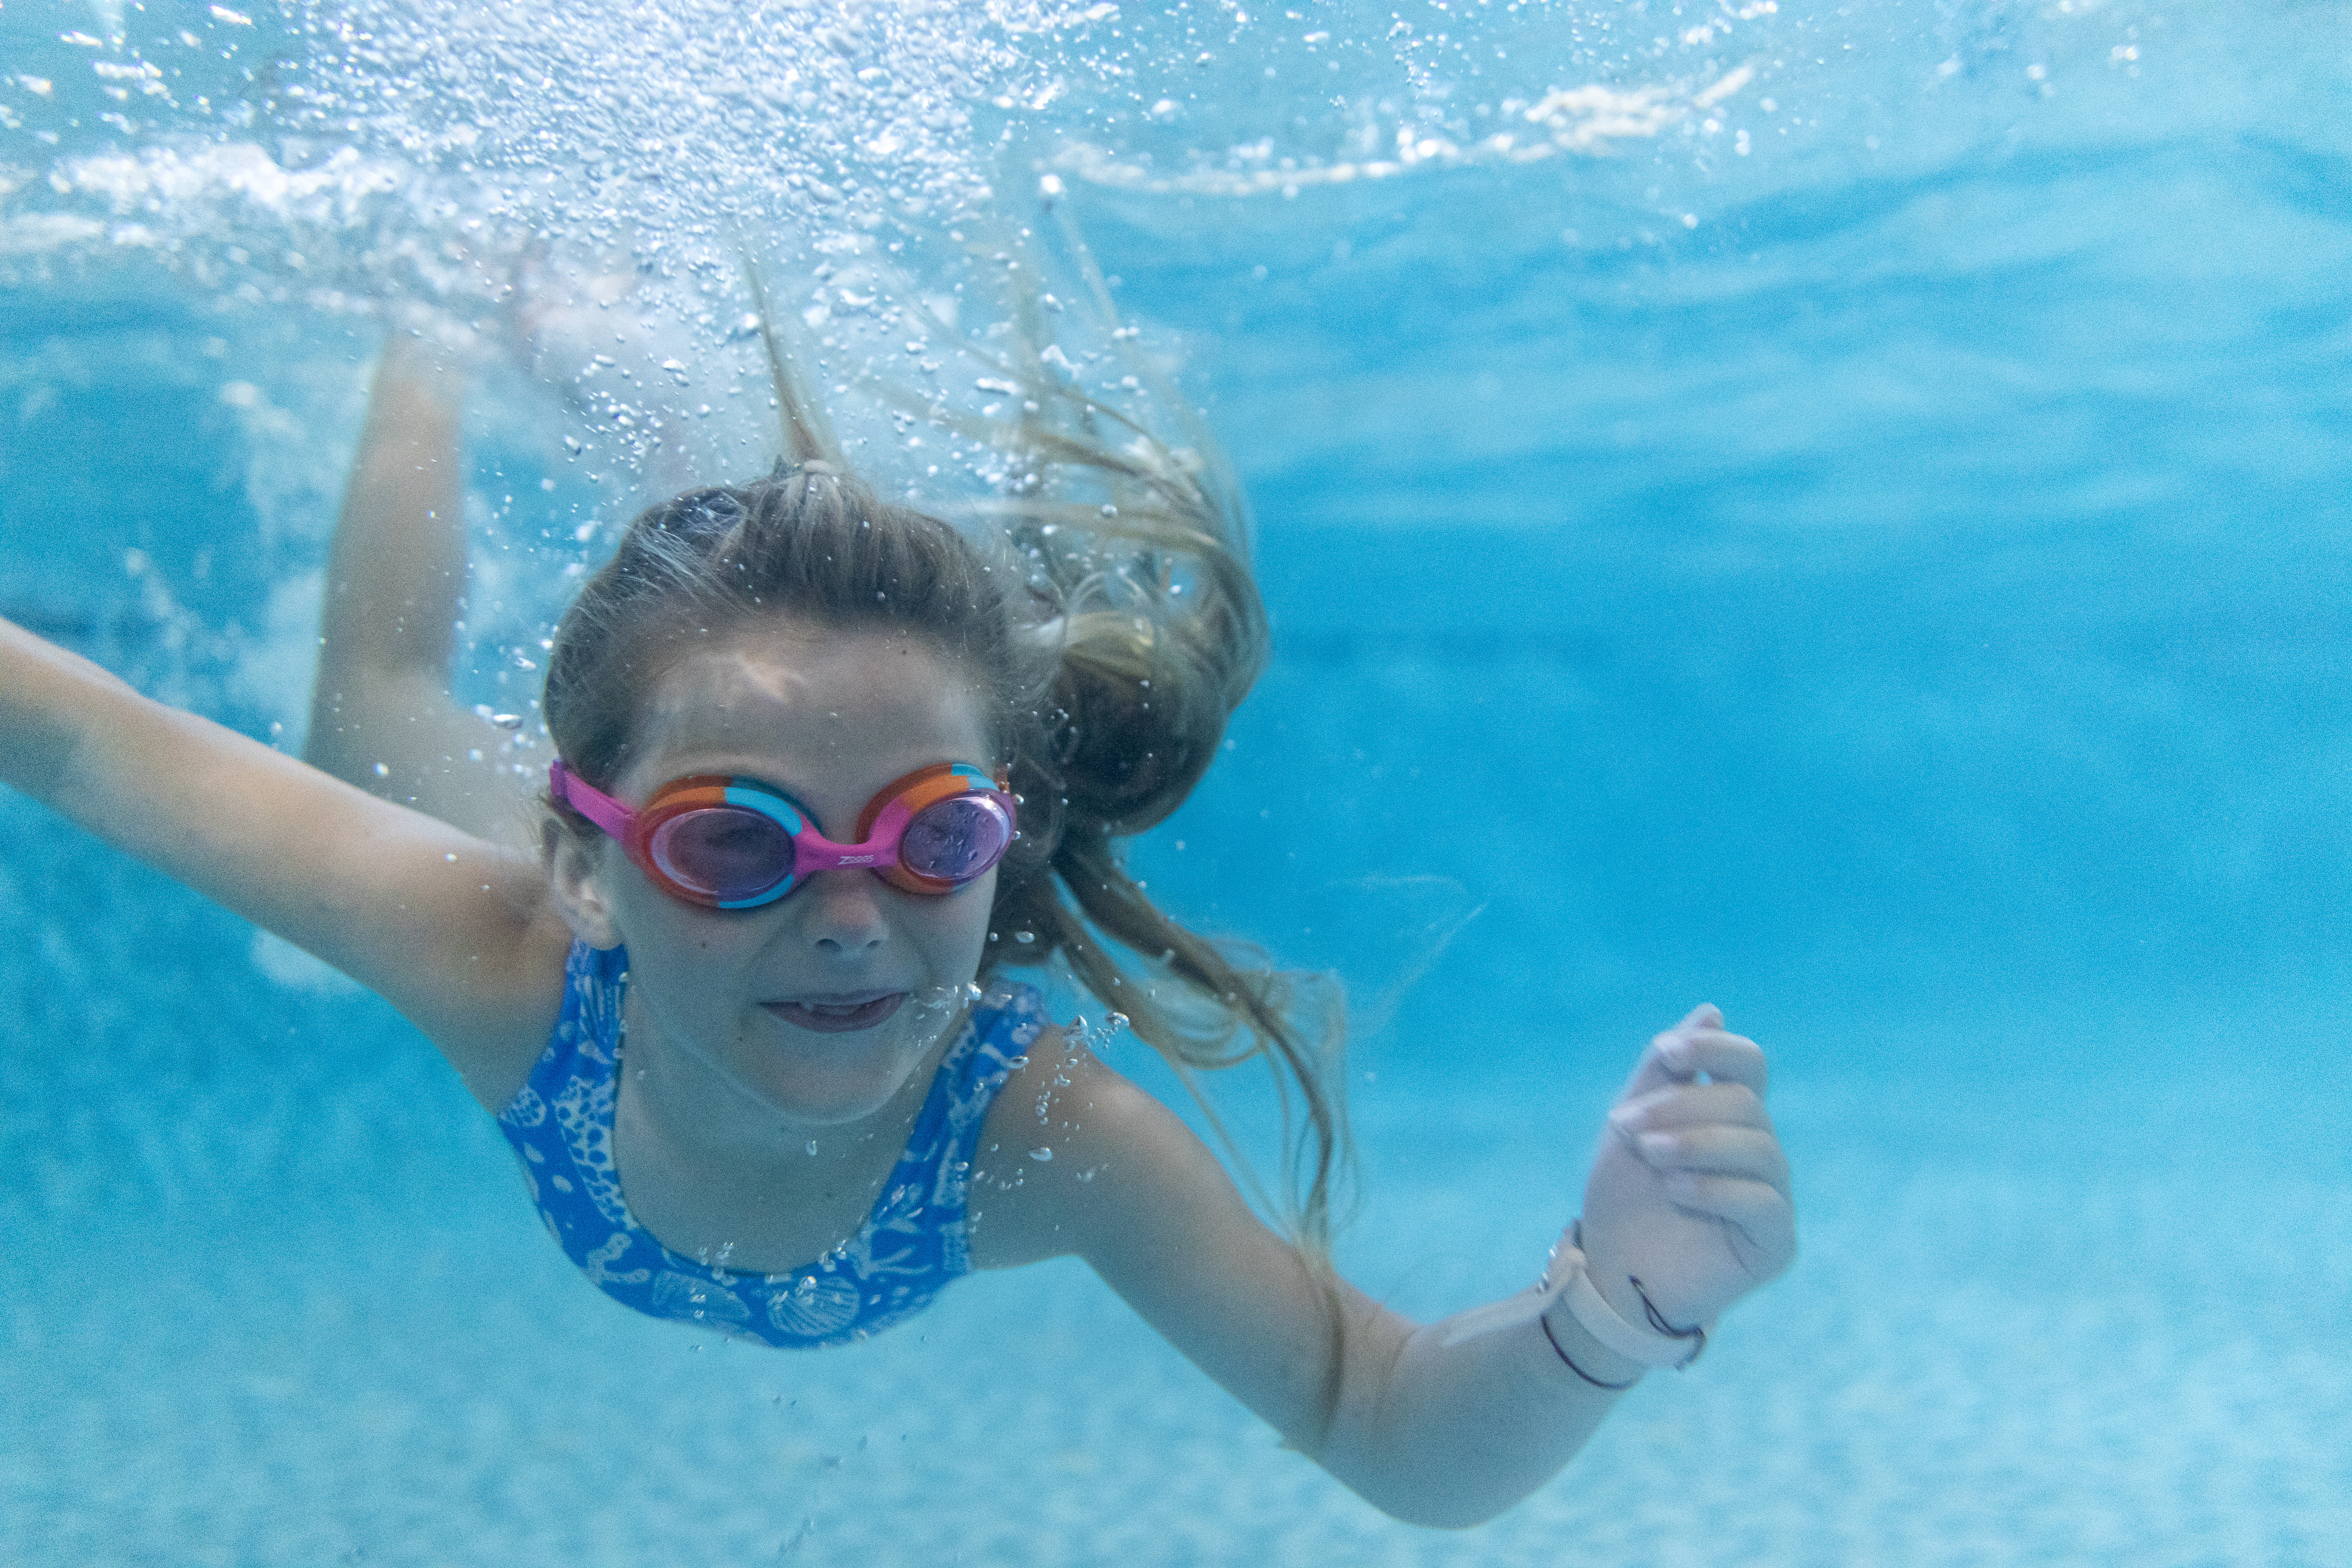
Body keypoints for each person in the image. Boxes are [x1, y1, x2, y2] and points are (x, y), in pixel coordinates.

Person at [0, 237, 1795, 1529]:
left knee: (753, 647)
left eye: (933, 835)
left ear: (994, 828)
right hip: (566, 864)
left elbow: (1381, 1421)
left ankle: (652, 423)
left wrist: (1617, 1311)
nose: (851, 915)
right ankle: (434, 300)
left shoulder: (1038, 1132)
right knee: (370, 714)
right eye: (734, 844)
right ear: (597, 866)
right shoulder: (512, 956)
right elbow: (83, 741)